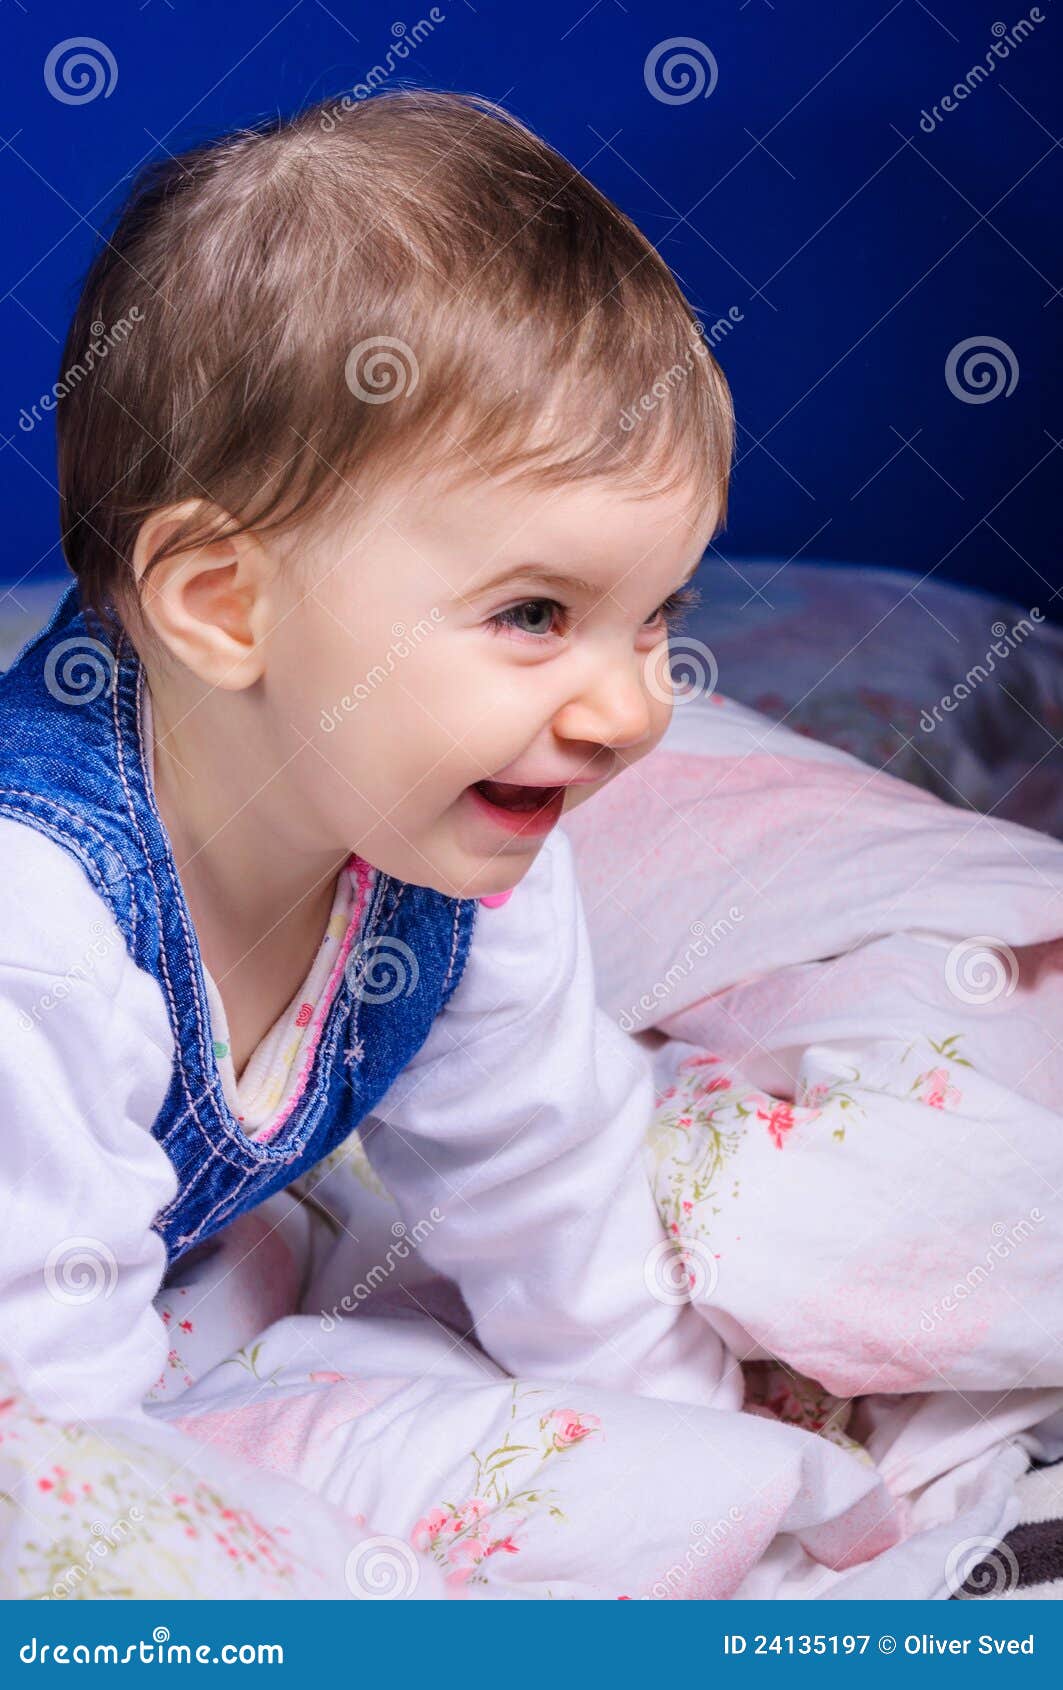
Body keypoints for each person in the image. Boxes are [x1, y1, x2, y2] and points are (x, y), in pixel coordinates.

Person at [0, 87, 739, 1428]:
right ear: (227, 605)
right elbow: (54, 1463)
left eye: (658, 619)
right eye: (534, 614)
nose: (630, 710)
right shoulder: (36, 928)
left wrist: (720, 1448)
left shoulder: (448, 852)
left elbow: (554, 1193)